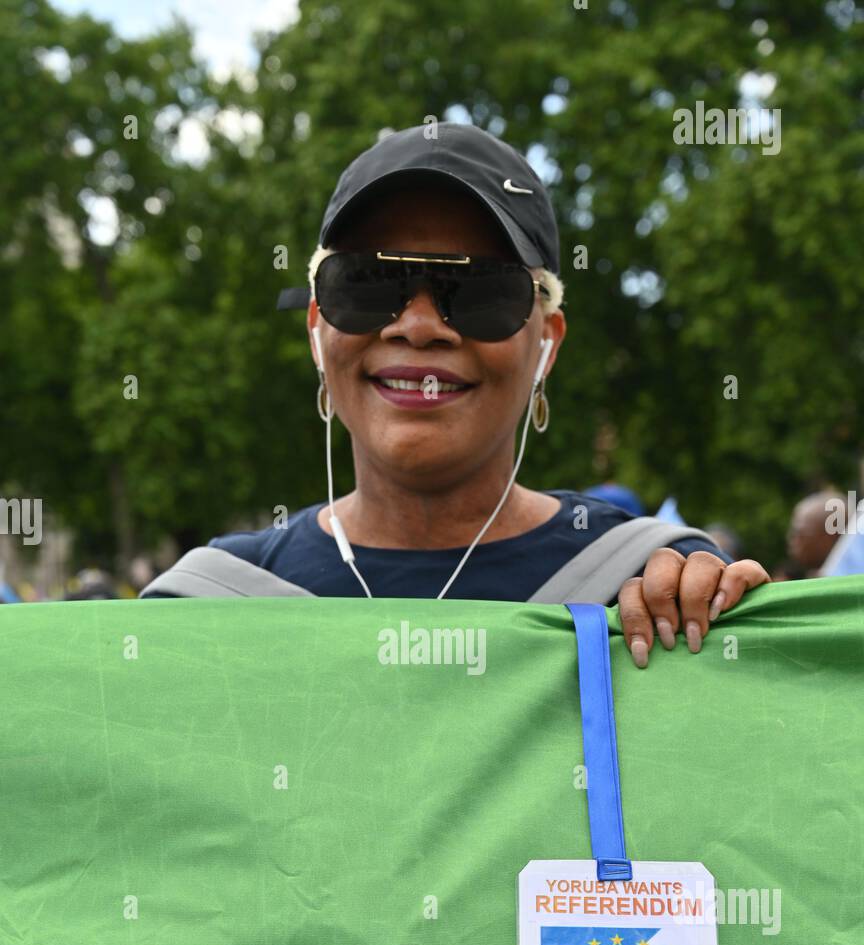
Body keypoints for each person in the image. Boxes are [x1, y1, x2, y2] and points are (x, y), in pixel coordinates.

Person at [142, 124, 769, 663]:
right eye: (366, 282)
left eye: (481, 293)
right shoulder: (208, 605)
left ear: (546, 344)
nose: (418, 327)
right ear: (316, 331)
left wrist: (714, 623)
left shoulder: (644, 582)